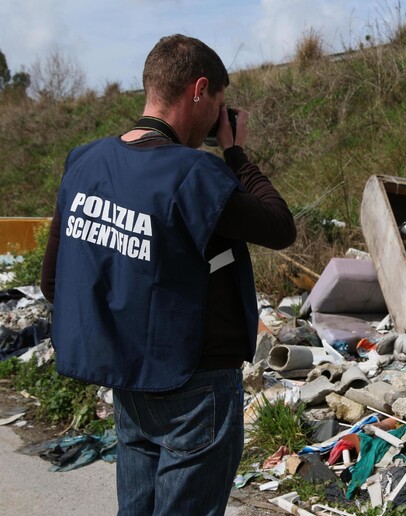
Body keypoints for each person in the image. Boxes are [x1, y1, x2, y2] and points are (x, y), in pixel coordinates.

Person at [40, 34, 296, 515]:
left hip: (129, 383)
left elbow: (54, 284)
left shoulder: (84, 163)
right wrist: (236, 152)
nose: (216, 119)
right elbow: (280, 226)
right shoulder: (193, 175)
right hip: (195, 388)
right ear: (200, 90)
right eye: (218, 105)